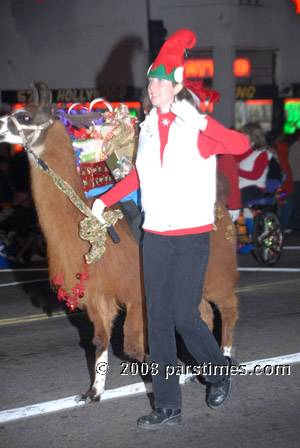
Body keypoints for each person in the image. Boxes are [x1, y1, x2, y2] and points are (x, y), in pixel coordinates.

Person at [92, 29, 249, 430]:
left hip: (192, 235)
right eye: (151, 80)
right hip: (156, 236)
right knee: (157, 319)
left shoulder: (196, 128)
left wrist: (199, 119)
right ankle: (168, 405)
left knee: (183, 315)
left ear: (177, 85)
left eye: (161, 81)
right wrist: (105, 200)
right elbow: (139, 178)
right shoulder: (145, 130)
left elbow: (239, 145)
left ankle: (218, 370)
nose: (153, 86)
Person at [235, 123, 272, 204]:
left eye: (245, 133)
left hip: (254, 188)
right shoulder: (244, 150)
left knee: (234, 200)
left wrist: (237, 171)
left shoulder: (262, 154)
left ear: (253, 135)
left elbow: (255, 175)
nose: (242, 135)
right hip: (241, 187)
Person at [288, 129, 300, 231]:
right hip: (296, 178)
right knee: (297, 202)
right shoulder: (295, 147)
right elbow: (290, 163)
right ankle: (297, 224)